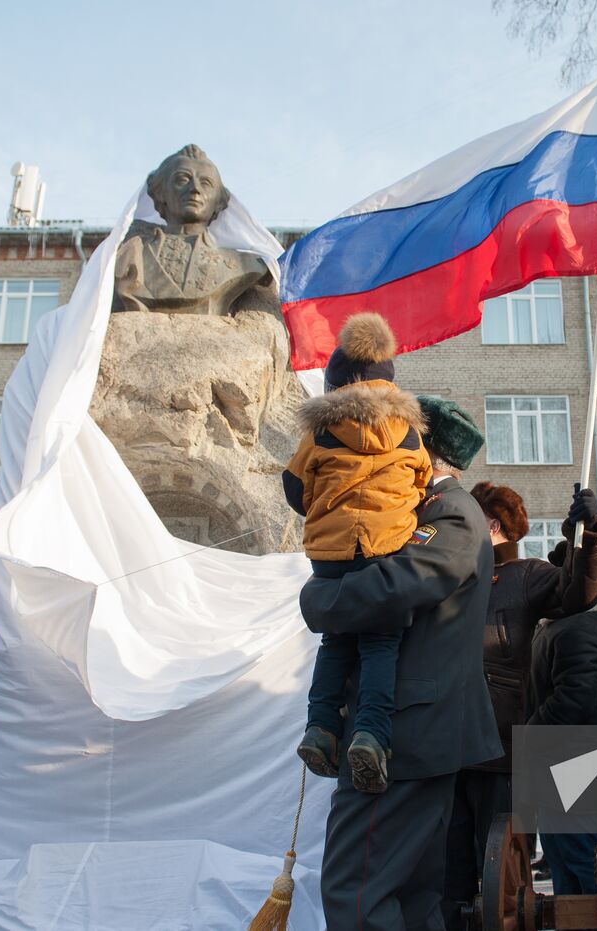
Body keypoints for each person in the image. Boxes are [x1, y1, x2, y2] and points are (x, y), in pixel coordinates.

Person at [299, 395, 502, 931]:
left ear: (420, 452)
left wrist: (316, 598)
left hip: (407, 735)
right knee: (411, 896)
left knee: (356, 889)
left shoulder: (452, 514)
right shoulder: (421, 513)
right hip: (413, 733)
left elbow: (392, 588)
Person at [442, 481, 597, 929]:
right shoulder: (450, 573)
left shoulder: (527, 574)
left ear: (491, 526)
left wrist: (588, 535)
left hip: (501, 750)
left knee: (503, 875)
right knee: (449, 875)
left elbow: (581, 594)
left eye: (466, 519)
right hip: (444, 747)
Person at [286, 312, 431, 793]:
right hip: (386, 552)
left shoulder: (320, 431)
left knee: (336, 639)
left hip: (330, 554)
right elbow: (422, 484)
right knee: (380, 644)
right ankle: (371, 735)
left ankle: (320, 727)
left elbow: (294, 486)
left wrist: (325, 505)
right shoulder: (410, 433)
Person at [112, 144, 278, 318]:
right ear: (160, 192)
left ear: (220, 202)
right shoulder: (130, 254)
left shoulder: (246, 265)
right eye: (182, 179)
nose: (195, 189)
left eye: (206, 183)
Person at [525, 596, 597, 895]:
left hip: (573, 758)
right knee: (562, 855)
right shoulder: (566, 624)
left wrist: (531, 732)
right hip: (561, 757)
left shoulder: (577, 628)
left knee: (578, 854)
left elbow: (576, 697)